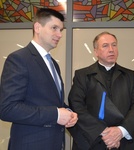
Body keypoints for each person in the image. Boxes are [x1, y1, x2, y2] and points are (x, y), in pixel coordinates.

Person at [0, 8, 78, 150]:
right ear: (37, 27)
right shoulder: (19, 59)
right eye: (54, 28)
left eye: (61, 30)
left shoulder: (53, 63)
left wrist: (68, 112)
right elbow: (7, 108)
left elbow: (52, 102)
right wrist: (55, 114)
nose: (59, 34)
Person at [68, 31, 134, 150]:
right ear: (96, 51)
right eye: (105, 46)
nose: (111, 49)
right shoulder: (82, 75)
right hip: (92, 141)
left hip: (124, 142)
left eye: (114, 45)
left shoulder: (129, 75)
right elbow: (76, 106)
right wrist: (104, 132)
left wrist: (120, 131)